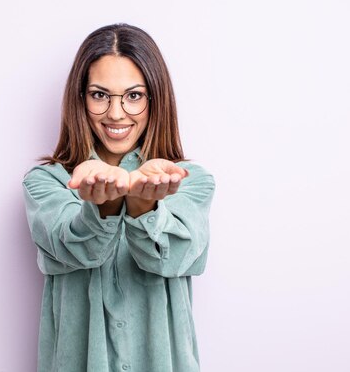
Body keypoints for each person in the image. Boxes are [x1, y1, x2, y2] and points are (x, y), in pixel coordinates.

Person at [23, 23, 215, 372]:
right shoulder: (46, 183)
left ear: (155, 98)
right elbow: (73, 245)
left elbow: (176, 257)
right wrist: (103, 206)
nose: (115, 113)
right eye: (100, 95)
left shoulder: (189, 182)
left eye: (133, 95)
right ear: (80, 98)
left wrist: (144, 205)